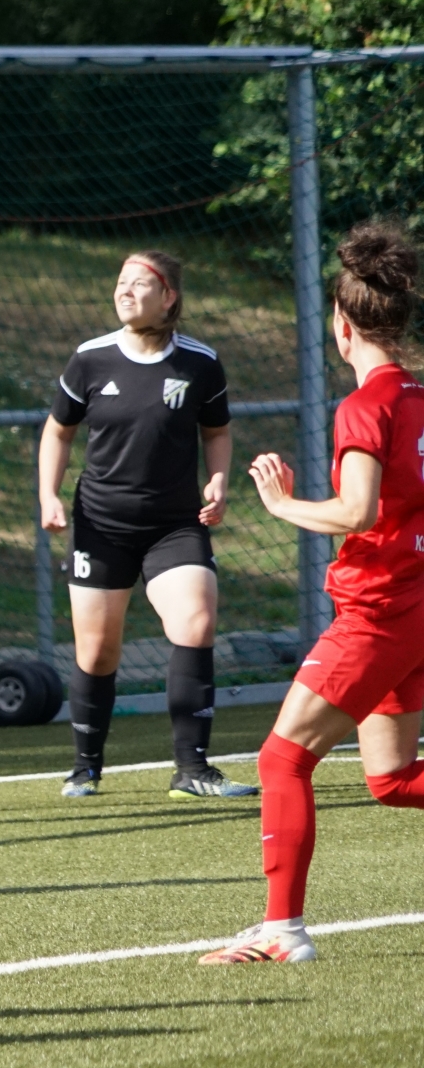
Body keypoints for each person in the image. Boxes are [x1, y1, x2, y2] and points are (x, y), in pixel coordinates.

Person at [200, 224, 424, 966]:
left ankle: (282, 931)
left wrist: (283, 506)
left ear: (342, 324)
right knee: (392, 781)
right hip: (417, 610)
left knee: (281, 759)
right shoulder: (421, 397)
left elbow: (356, 512)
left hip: (381, 611)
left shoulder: (368, 407)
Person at [38, 252, 253, 800]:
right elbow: (58, 432)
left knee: (196, 621)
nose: (126, 291)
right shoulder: (90, 359)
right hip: (101, 525)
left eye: (140, 283)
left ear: (170, 297)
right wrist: (49, 493)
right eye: (120, 283)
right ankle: (85, 767)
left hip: (174, 525)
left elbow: (217, 431)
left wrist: (220, 480)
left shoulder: (200, 363)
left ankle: (193, 769)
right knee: (97, 653)